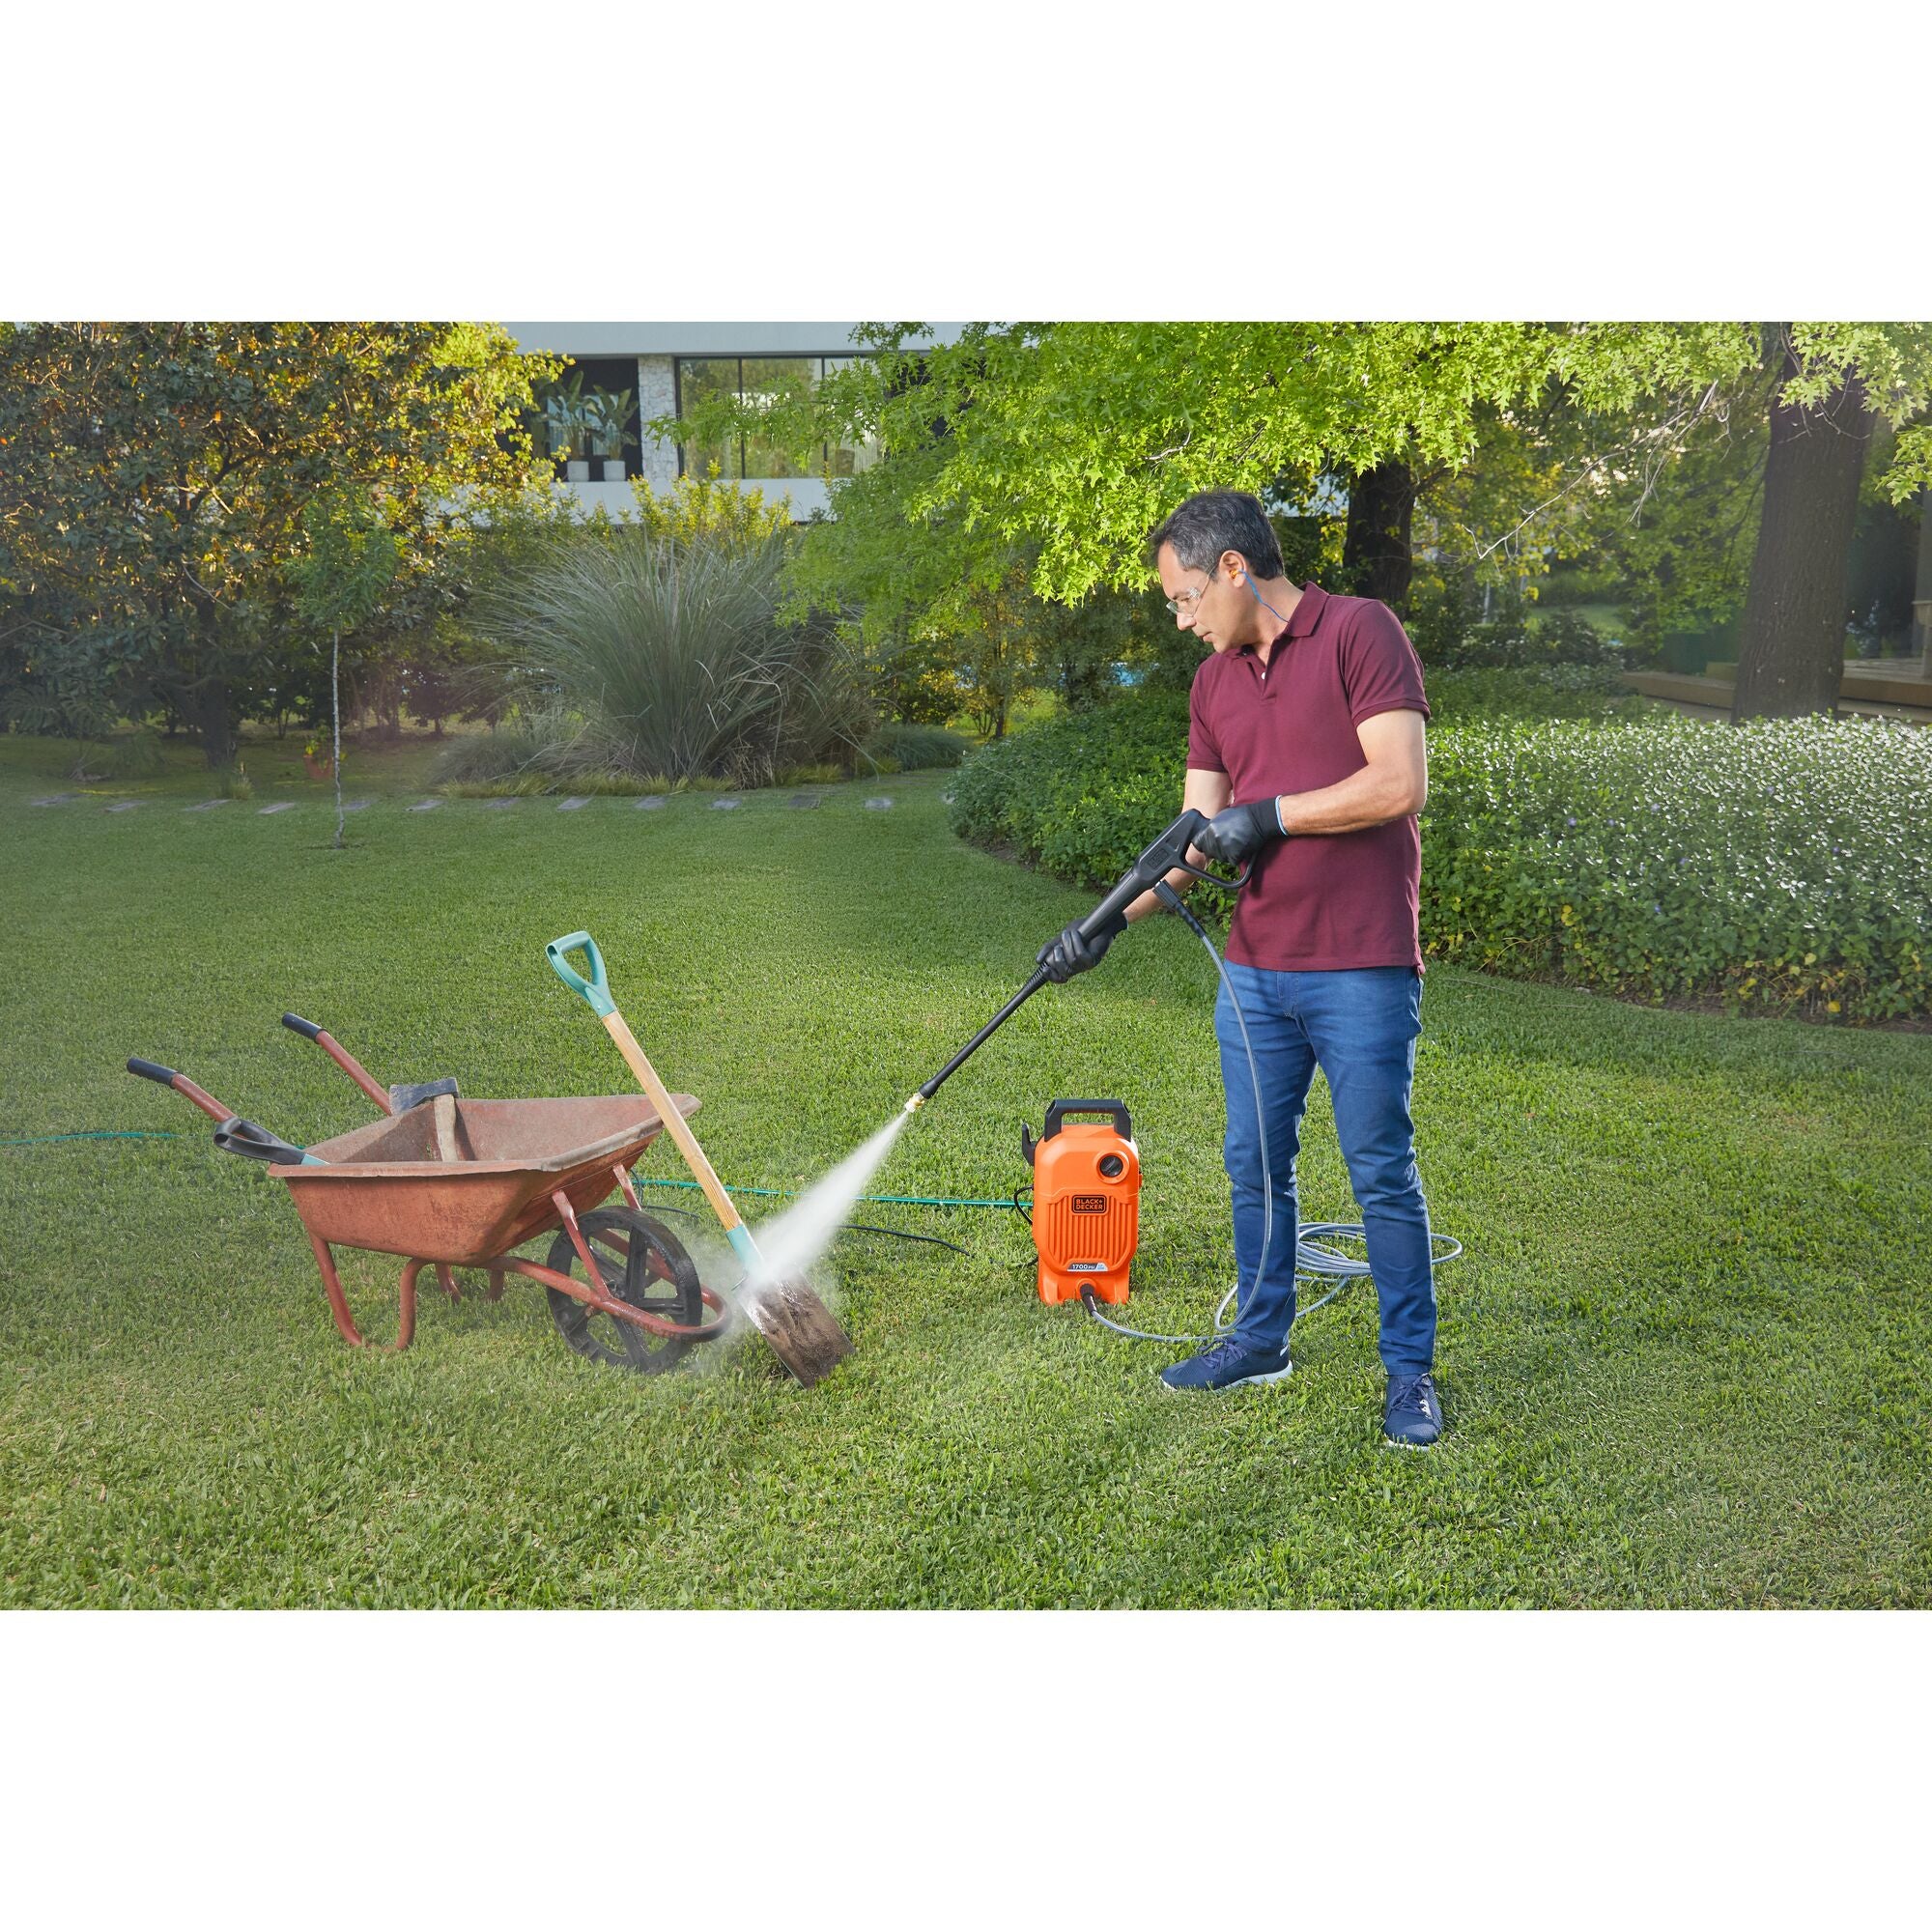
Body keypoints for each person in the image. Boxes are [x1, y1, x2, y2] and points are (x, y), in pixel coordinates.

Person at [1037, 489, 1443, 1447]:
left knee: (1379, 1172)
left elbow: (1395, 781)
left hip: (1360, 964)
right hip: (1252, 968)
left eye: (1181, 597)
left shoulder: (1359, 631)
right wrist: (1098, 926)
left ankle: (1408, 1372)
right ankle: (1261, 1336)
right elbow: (1188, 838)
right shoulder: (1213, 684)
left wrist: (1268, 816)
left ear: (1232, 569)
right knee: (1254, 1165)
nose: (1179, 620)